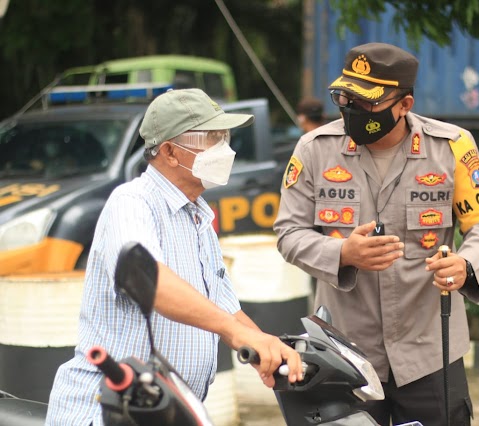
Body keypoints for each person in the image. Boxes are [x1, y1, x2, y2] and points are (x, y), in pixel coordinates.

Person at [274, 42, 479, 426]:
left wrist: (466, 264)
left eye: (367, 103)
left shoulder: (450, 147)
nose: (352, 109)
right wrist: (343, 254)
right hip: (344, 354)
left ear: (404, 105)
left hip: (431, 350)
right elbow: (289, 232)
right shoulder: (315, 150)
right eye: (345, 97)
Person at [46, 88, 303, 425]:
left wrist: (265, 347)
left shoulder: (197, 214)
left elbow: (225, 310)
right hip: (112, 410)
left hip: (170, 411)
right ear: (169, 151)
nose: (225, 150)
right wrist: (239, 333)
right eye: (213, 139)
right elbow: (152, 282)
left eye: (225, 137)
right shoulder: (133, 202)